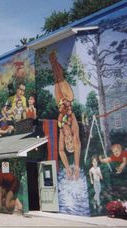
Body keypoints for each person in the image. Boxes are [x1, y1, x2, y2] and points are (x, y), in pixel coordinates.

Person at [49, 51, 81, 180]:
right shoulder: (74, 129)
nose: (68, 143)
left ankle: (54, 62)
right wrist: (76, 166)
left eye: (67, 145)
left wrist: (67, 167)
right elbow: (78, 146)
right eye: (71, 144)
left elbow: (60, 151)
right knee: (60, 77)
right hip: (68, 98)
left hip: (60, 103)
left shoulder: (62, 132)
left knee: (56, 80)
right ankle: (54, 59)